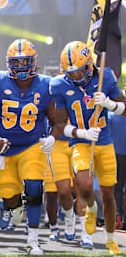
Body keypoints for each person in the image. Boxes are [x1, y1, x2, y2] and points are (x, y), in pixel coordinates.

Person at [0, 38, 56, 255]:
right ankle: (9, 204)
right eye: (17, 62)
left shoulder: (45, 84)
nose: (21, 67)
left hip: (32, 144)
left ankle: (33, 240)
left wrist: (52, 137)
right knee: (11, 200)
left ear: (33, 62)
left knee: (34, 187)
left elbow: (56, 119)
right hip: (3, 148)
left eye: (25, 62)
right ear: (9, 63)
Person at [50, 40, 126, 255]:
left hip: (105, 142)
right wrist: (81, 133)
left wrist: (111, 105)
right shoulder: (59, 85)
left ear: (89, 64)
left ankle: (111, 238)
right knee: (83, 186)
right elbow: (60, 124)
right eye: (70, 73)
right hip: (81, 143)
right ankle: (91, 208)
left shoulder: (105, 77)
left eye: (79, 71)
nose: (75, 77)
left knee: (108, 195)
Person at [109, 111, 126, 230]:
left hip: (116, 153)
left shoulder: (111, 116)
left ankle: (117, 215)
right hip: (118, 152)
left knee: (117, 187)